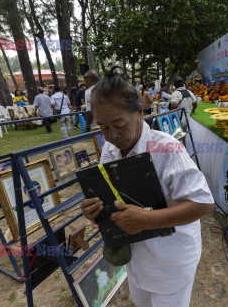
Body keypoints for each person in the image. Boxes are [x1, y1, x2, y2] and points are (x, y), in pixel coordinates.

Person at [80, 66, 214, 306]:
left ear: (140, 112)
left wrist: (148, 220)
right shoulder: (109, 150)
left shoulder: (168, 149)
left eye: (119, 125)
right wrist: (95, 211)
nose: (111, 135)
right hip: (137, 262)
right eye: (103, 127)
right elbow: (112, 200)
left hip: (171, 264)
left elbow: (203, 203)